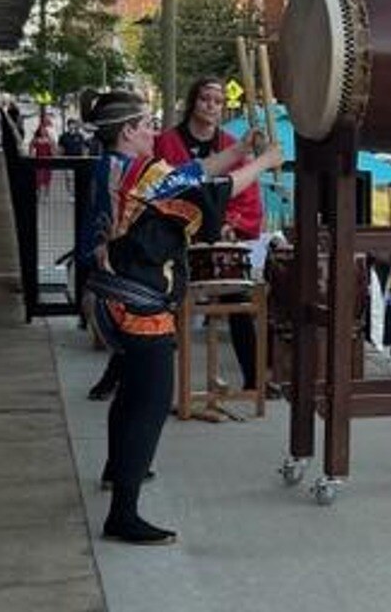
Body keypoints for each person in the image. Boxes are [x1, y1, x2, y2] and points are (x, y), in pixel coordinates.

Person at [82, 86, 282, 545]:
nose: (154, 131)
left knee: (131, 393)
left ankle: (118, 471)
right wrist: (264, 163)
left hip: (112, 295)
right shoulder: (144, 173)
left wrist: (235, 150)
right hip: (139, 303)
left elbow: (187, 173)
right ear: (128, 131)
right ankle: (123, 513)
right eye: (147, 125)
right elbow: (212, 191)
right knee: (150, 402)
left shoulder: (111, 168)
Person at [154, 76, 266, 391]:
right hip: (174, 235)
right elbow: (162, 189)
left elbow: (245, 190)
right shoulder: (167, 142)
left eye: (218, 102)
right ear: (193, 101)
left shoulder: (231, 144)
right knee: (160, 304)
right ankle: (145, 382)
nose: (211, 106)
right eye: (205, 99)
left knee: (238, 301)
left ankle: (254, 380)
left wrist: (229, 223)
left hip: (218, 238)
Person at [29, 113, 56, 193]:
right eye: (42, 130)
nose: (43, 131)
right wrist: (31, 154)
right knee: (38, 176)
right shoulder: (36, 139)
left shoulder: (50, 138)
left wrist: (53, 154)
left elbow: (53, 147)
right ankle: (39, 190)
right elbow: (31, 146)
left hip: (47, 160)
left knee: (47, 176)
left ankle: (46, 191)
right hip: (39, 159)